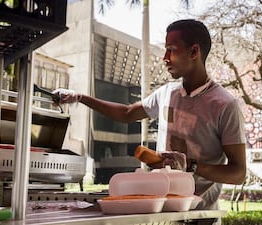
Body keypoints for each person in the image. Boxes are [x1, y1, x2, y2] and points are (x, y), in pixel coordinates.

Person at [54, 19, 246, 219]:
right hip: (161, 214)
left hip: (201, 216)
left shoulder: (225, 105)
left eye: (171, 49)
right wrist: (79, 97)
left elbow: (238, 173)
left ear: (194, 52)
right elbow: (127, 113)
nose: (164, 57)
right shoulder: (166, 93)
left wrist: (191, 165)